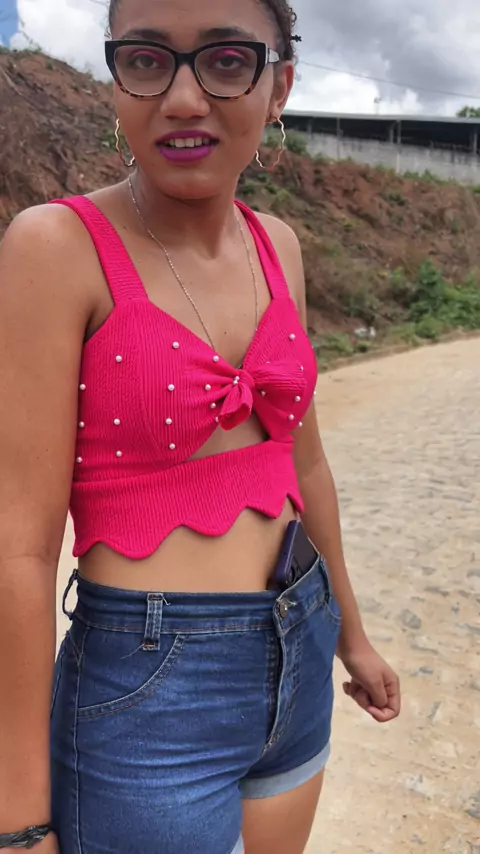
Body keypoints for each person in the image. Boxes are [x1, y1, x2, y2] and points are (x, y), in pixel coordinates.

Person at [0, 0, 401, 851]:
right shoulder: (56, 248)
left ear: (279, 86)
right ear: (117, 79)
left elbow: (305, 464)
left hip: (302, 641)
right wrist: (19, 821)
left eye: (225, 61)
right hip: (149, 696)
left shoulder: (278, 245)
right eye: (147, 60)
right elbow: (18, 550)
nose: (183, 98)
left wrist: (352, 636)